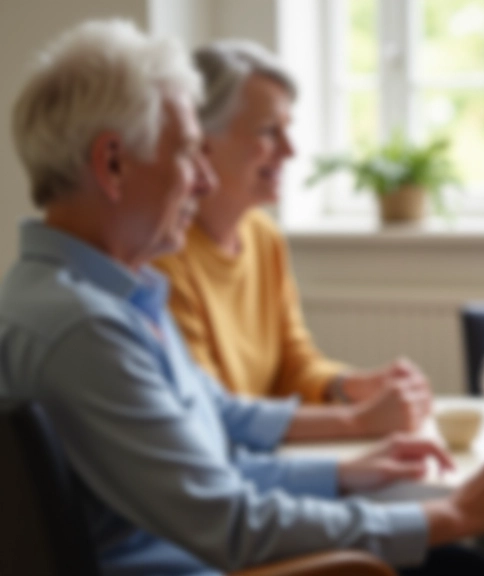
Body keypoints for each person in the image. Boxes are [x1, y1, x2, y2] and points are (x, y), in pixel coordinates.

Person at [0, 19, 484, 576]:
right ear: (112, 164)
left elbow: (214, 452)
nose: (202, 180)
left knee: (440, 544)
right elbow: (229, 523)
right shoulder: (85, 329)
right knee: (453, 558)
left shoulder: (107, 298)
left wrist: (343, 473)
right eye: (186, 152)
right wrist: (446, 517)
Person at [149, 40, 430, 441]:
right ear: (201, 139)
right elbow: (213, 415)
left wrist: (348, 385)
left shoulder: (264, 236)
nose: (290, 150)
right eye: (269, 131)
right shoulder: (163, 255)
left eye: (288, 129)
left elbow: (294, 365)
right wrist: (359, 421)